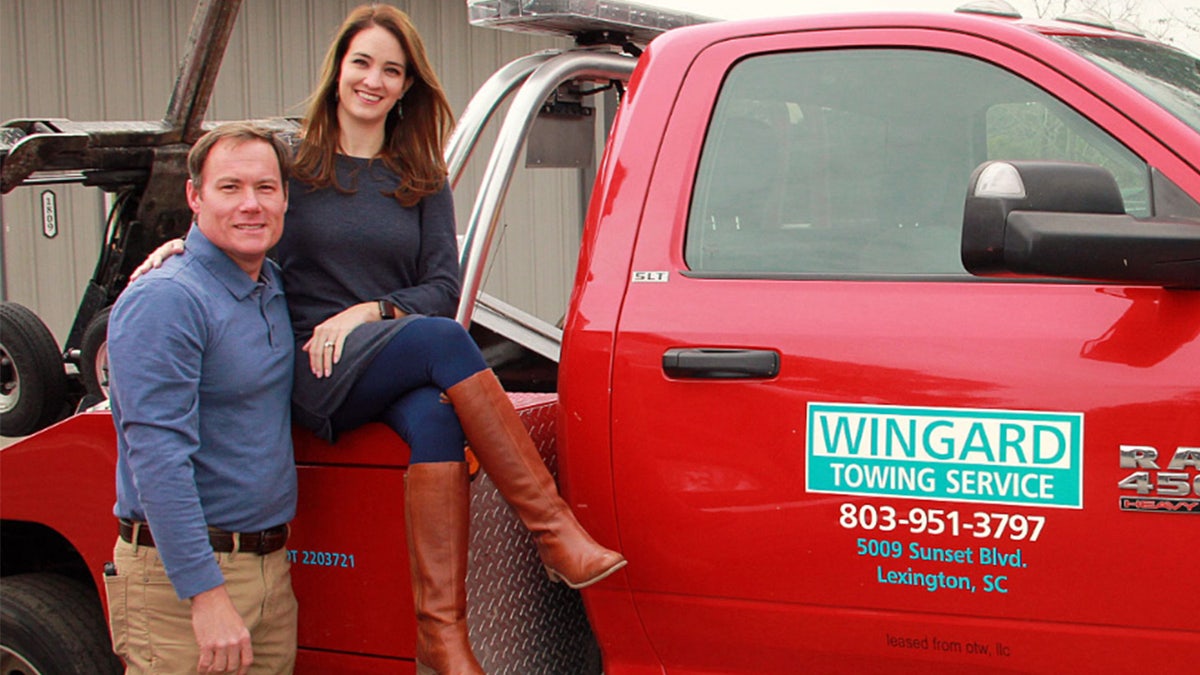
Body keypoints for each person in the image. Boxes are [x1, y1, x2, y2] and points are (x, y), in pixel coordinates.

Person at [135, 5, 625, 674]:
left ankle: (442, 636)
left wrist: (368, 312)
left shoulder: (421, 177)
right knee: (444, 344)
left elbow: (443, 288)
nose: (374, 79)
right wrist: (178, 250)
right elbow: (246, 230)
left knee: (435, 418)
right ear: (338, 70)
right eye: (362, 62)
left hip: (379, 350)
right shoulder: (296, 168)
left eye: (391, 70)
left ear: (406, 86)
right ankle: (553, 530)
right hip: (312, 361)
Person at [106, 122, 298, 675]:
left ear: (285, 198)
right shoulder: (167, 299)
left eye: (265, 188)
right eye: (230, 188)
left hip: (268, 570)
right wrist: (205, 596)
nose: (251, 205)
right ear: (195, 197)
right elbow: (158, 459)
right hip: (183, 582)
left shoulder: (273, 287)